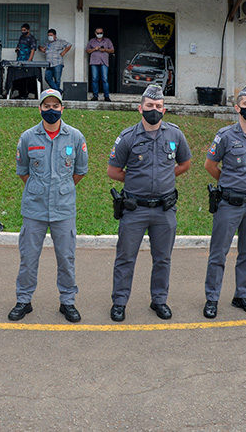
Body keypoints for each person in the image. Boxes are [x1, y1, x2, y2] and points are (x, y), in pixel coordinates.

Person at [107, 85, 191, 322]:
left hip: (164, 210)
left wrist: (165, 177)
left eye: (158, 106)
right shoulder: (128, 137)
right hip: (135, 209)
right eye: (149, 106)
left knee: (163, 258)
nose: (154, 110)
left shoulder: (175, 134)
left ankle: (159, 300)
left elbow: (185, 163)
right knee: (126, 257)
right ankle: (120, 302)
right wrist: (135, 179)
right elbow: (113, 171)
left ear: (164, 109)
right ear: (140, 108)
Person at [8, 89, 88, 323]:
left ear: (63, 108)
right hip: (34, 209)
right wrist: (39, 188)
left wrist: (60, 189)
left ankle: (68, 302)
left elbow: (79, 171)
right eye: (47, 106)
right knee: (29, 257)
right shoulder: (28, 137)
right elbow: (23, 172)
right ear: (39, 108)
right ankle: (23, 300)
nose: (51, 110)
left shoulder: (75, 137)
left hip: (63, 209)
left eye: (55, 106)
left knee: (66, 257)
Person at [203, 83, 246, 319]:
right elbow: (210, 165)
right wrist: (229, 182)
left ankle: (241, 295)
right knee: (218, 253)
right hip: (229, 204)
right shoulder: (225, 136)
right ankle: (212, 298)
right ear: (237, 108)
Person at [85, 28, 114, 102]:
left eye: (101, 32)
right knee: (94, 79)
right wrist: (94, 49)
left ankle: (106, 96)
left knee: (105, 79)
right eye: (98, 33)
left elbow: (112, 50)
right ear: (95, 33)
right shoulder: (92, 41)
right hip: (94, 62)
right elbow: (87, 50)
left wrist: (105, 50)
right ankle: (95, 95)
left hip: (104, 62)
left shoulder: (107, 40)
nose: (99, 34)